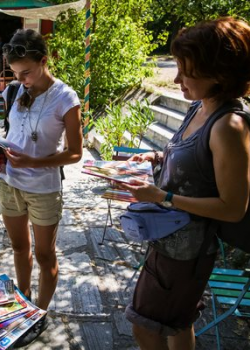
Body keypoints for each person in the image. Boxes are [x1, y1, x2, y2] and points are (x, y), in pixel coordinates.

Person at [120, 17, 250, 350]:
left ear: (219, 73)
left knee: (145, 327)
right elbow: (196, 165)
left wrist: (163, 197)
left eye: (186, 71)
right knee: (178, 323)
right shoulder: (200, 107)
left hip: (185, 253)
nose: (176, 79)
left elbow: (233, 208)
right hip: (171, 240)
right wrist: (155, 159)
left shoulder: (229, 127)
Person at [0, 28, 83, 347]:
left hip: (44, 188)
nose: (22, 79)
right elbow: (14, 136)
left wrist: (32, 162)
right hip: (9, 183)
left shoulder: (65, 97)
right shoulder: (12, 92)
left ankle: (38, 314)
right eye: (16, 73)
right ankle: (24, 303)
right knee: (20, 249)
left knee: (45, 255)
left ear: (44, 61)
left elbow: (75, 152)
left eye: (27, 72)